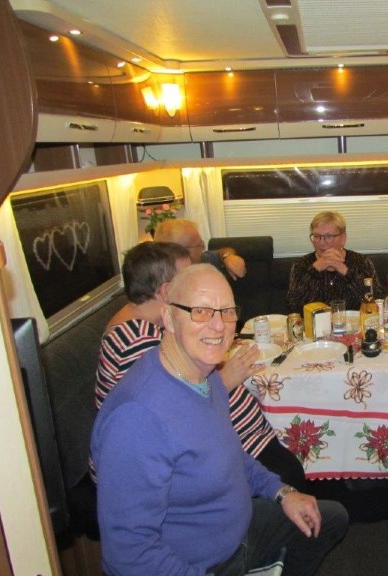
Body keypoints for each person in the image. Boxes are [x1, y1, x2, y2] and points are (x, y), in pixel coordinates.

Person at [91, 264, 348, 576]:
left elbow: (229, 453)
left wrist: (282, 492)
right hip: (199, 565)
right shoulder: (136, 418)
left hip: (239, 533)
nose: (218, 326)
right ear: (168, 317)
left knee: (330, 518)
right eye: (200, 311)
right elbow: (128, 555)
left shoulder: (204, 374)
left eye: (227, 312)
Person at [95, 241, 306, 490]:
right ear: (166, 291)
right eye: (189, 278)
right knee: (292, 474)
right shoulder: (139, 343)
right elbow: (178, 416)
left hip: (242, 439)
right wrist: (227, 379)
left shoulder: (151, 323)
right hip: (224, 456)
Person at [286, 211, 384, 312]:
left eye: (328, 236)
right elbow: (293, 306)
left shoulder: (361, 262)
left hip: (355, 322)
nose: (321, 242)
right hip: (314, 322)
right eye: (316, 236)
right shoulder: (301, 265)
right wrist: (315, 270)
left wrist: (345, 271)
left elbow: (378, 301)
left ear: (343, 238)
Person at [155, 218, 247, 281]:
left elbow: (223, 251)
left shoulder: (202, 260)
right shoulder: (158, 283)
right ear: (183, 252)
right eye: (200, 245)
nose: (204, 247)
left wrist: (228, 257)